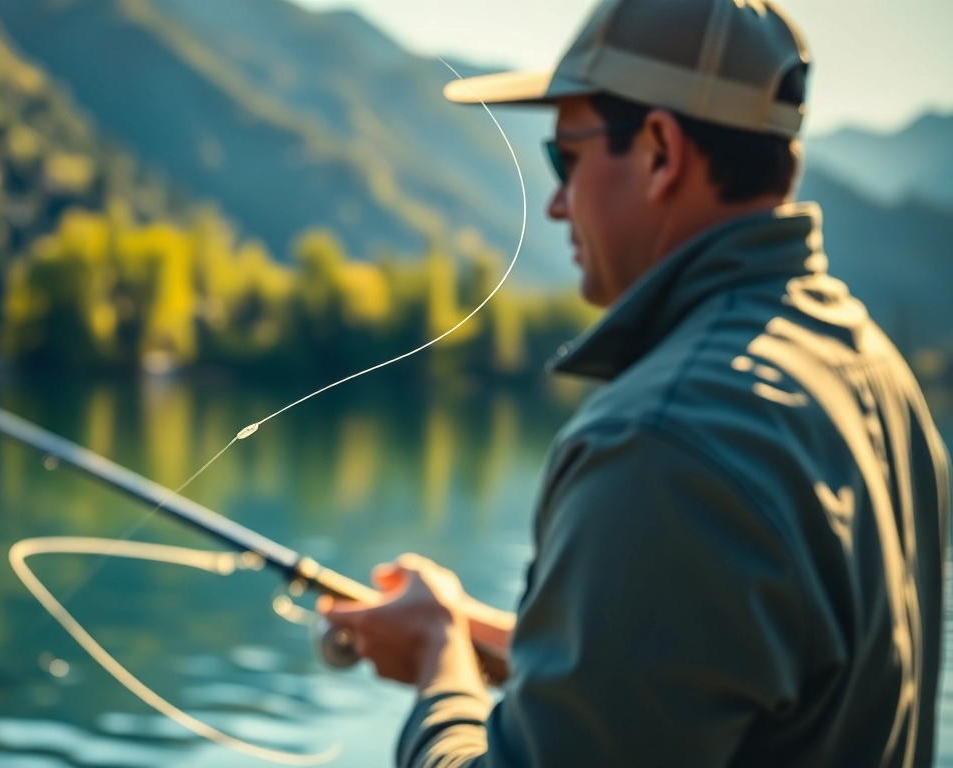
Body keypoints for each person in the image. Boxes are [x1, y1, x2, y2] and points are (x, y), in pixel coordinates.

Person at [318, 0, 951, 766]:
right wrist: (461, 627)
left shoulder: (663, 443)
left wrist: (437, 664)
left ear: (660, 151)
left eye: (567, 161)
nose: (554, 202)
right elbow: (709, 672)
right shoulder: (870, 368)